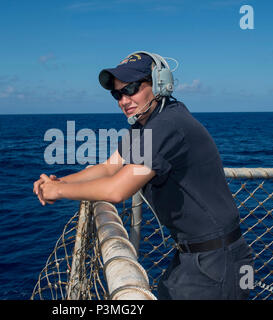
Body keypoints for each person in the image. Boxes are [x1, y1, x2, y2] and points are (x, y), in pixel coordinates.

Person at [33, 51, 254, 300]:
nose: (123, 100)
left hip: (216, 261)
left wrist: (59, 192)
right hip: (194, 256)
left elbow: (117, 190)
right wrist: (59, 181)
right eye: (117, 94)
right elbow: (109, 167)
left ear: (160, 84)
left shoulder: (166, 125)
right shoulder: (146, 126)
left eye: (132, 88)